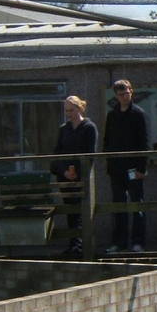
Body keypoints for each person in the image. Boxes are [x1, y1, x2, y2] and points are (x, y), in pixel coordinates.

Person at [103, 79, 151, 253]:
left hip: (133, 169)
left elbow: (144, 142)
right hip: (116, 168)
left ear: (132, 91)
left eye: (126, 93)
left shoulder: (138, 114)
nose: (124, 96)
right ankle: (119, 242)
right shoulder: (112, 115)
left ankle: (138, 242)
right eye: (120, 94)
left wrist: (141, 169)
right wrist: (108, 163)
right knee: (118, 205)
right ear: (116, 95)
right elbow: (107, 140)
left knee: (136, 204)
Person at [49, 94, 97, 256]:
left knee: (81, 210)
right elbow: (58, 152)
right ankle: (74, 244)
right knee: (71, 211)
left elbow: (90, 153)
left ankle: (82, 245)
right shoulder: (64, 129)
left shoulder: (89, 127)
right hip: (65, 176)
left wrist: (77, 172)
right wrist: (63, 171)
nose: (68, 114)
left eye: (71, 110)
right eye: (66, 110)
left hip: (81, 175)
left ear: (79, 108)